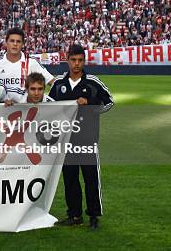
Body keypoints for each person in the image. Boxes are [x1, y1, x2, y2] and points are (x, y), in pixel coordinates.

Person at [49, 44, 114, 230]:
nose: (77, 64)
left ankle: (93, 216)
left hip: (87, 140)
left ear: (84, 61)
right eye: (73, 60)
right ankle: (74, 214)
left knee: (91, 178)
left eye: (80, 60)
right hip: (66, 141)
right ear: (67, 60)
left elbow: (110, 102)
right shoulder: (59, 84)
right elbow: (50, 107)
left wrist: (91, 103)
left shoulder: (93, 82)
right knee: (70, 179)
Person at [0, 28, 54, 101]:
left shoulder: (31, 62)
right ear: (6, 42)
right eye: (12, 41)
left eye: (18, 41)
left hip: (25, 109)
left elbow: (51, 81)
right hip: (2, 109)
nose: (15, 44)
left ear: (22, 44)